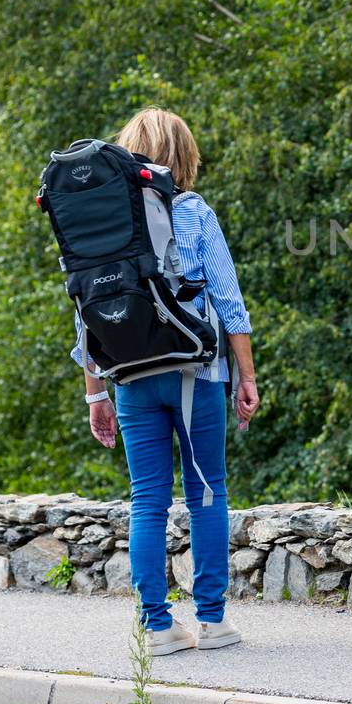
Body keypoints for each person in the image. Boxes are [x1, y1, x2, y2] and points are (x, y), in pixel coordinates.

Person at [78, 108, 259, 655]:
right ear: (185, 157)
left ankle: (156, 626)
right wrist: (245, 375)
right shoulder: (194, 211)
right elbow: (227, 301)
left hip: (129, 375)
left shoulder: (100, 223)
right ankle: (212, 621)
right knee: (206, 492)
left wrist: (95, 392)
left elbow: (86, 310)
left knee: (147, 499)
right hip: (194, 372)